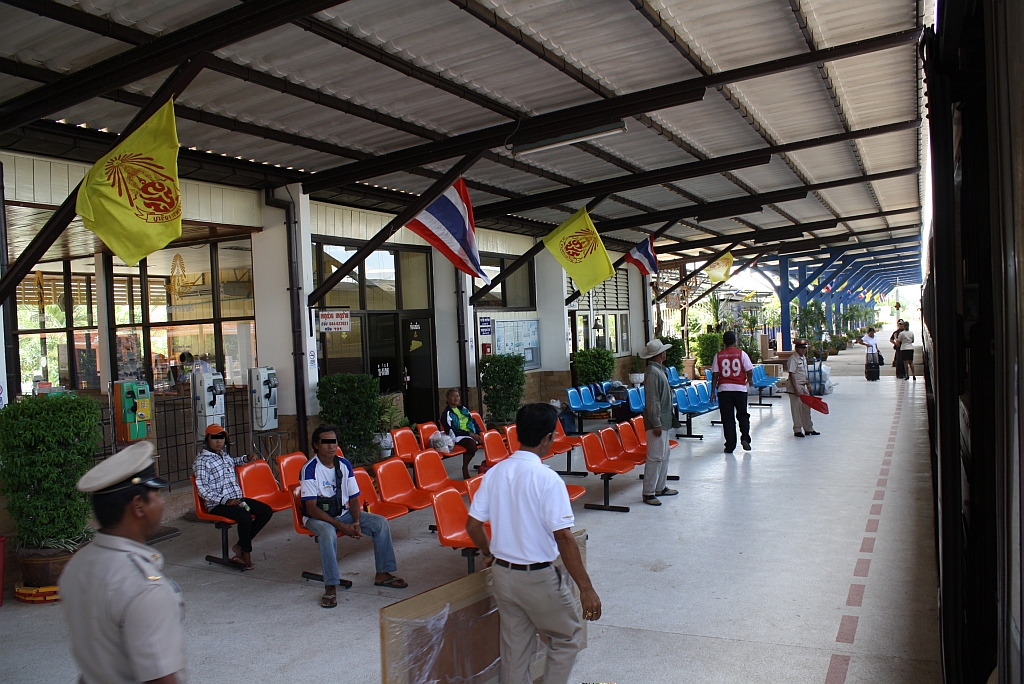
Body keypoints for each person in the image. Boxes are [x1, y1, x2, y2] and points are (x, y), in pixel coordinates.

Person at [465, 403, 601, 684]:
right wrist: (586, 589)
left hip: (502, 576)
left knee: (515, 652)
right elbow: (563, 537)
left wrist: (489, 553)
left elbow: (473, 525)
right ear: (548, 438)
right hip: (537, 578)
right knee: (568, 637)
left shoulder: (494, 474)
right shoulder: (547, 480)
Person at [60, 442, 187, 684]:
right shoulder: (145, 589)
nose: (161, 502)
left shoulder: (78, 565)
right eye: (157, 494)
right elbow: (161, 679)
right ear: (138, 506)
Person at [301, 425, 407, 608]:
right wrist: (341, 526)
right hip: (318, 517)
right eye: (325, 442)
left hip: (343, 513)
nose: (331, 446)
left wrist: (356, 521)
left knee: (380, 523)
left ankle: (383, 573)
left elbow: (354, 499)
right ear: (316, 445)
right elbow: (311, 508)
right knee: (327, 534)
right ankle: (331, 586)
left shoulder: (344, 464)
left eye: (333, 442)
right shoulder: (309, 469)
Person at [193, 424, 273, 570]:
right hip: (217, 504)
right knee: (245, 517)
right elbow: (202, 489)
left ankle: (240, 546)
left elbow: (233, 462)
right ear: (207, 440)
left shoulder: (223, 455)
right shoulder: (202, 461)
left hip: (236, 499)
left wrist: (246, 458)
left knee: (266, 511)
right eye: (215, 438)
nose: (219, 442)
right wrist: (225, 501)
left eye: (221, 438)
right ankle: (246, 553)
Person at [639, 339, 677, 506]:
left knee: (664, 454)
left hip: (664, 419)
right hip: (658, 421)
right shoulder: (653, 373)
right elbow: (653, 400)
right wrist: (656, 422)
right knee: (655, 456)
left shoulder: (658, 370)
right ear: (661, 354)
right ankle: (649, 492)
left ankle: (660, 487)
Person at [711, 331, 754, 453]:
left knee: (727, 418)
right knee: (743, 414)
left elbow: (715, 375)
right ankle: (745, 437)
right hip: (740, 389)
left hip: (724, 390)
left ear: (723, 342)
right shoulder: (742, 354)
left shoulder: (718, 356)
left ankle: (730, 445)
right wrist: (749, 379)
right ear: (735, 341)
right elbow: (749, 369)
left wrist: (713, 391)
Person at [440, 388, 484, 479]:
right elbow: (453, 430)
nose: (456, 398)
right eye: (453, 396)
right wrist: (471, 435)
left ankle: (488, 464)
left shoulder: (463, 409)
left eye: (457, 396)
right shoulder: (447, 413)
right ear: (447, 399)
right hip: (458, 436)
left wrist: (480, 433)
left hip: (471, 433)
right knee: (471, 445)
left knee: (488, 439)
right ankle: (465, 468)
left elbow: (474, 422)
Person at [786, 339, 819, 437]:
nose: (803, 350)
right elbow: (791, 375)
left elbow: (804, 373)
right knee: (797, 409)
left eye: (804, 348)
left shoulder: (803, 358)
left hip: (804, 386)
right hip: (796, 386)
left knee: (806, 408)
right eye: (801, 348)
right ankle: (797, 430)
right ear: (796, 348)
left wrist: (808, 385)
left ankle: (808, 428)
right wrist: (795, 390)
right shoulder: (793, 359)